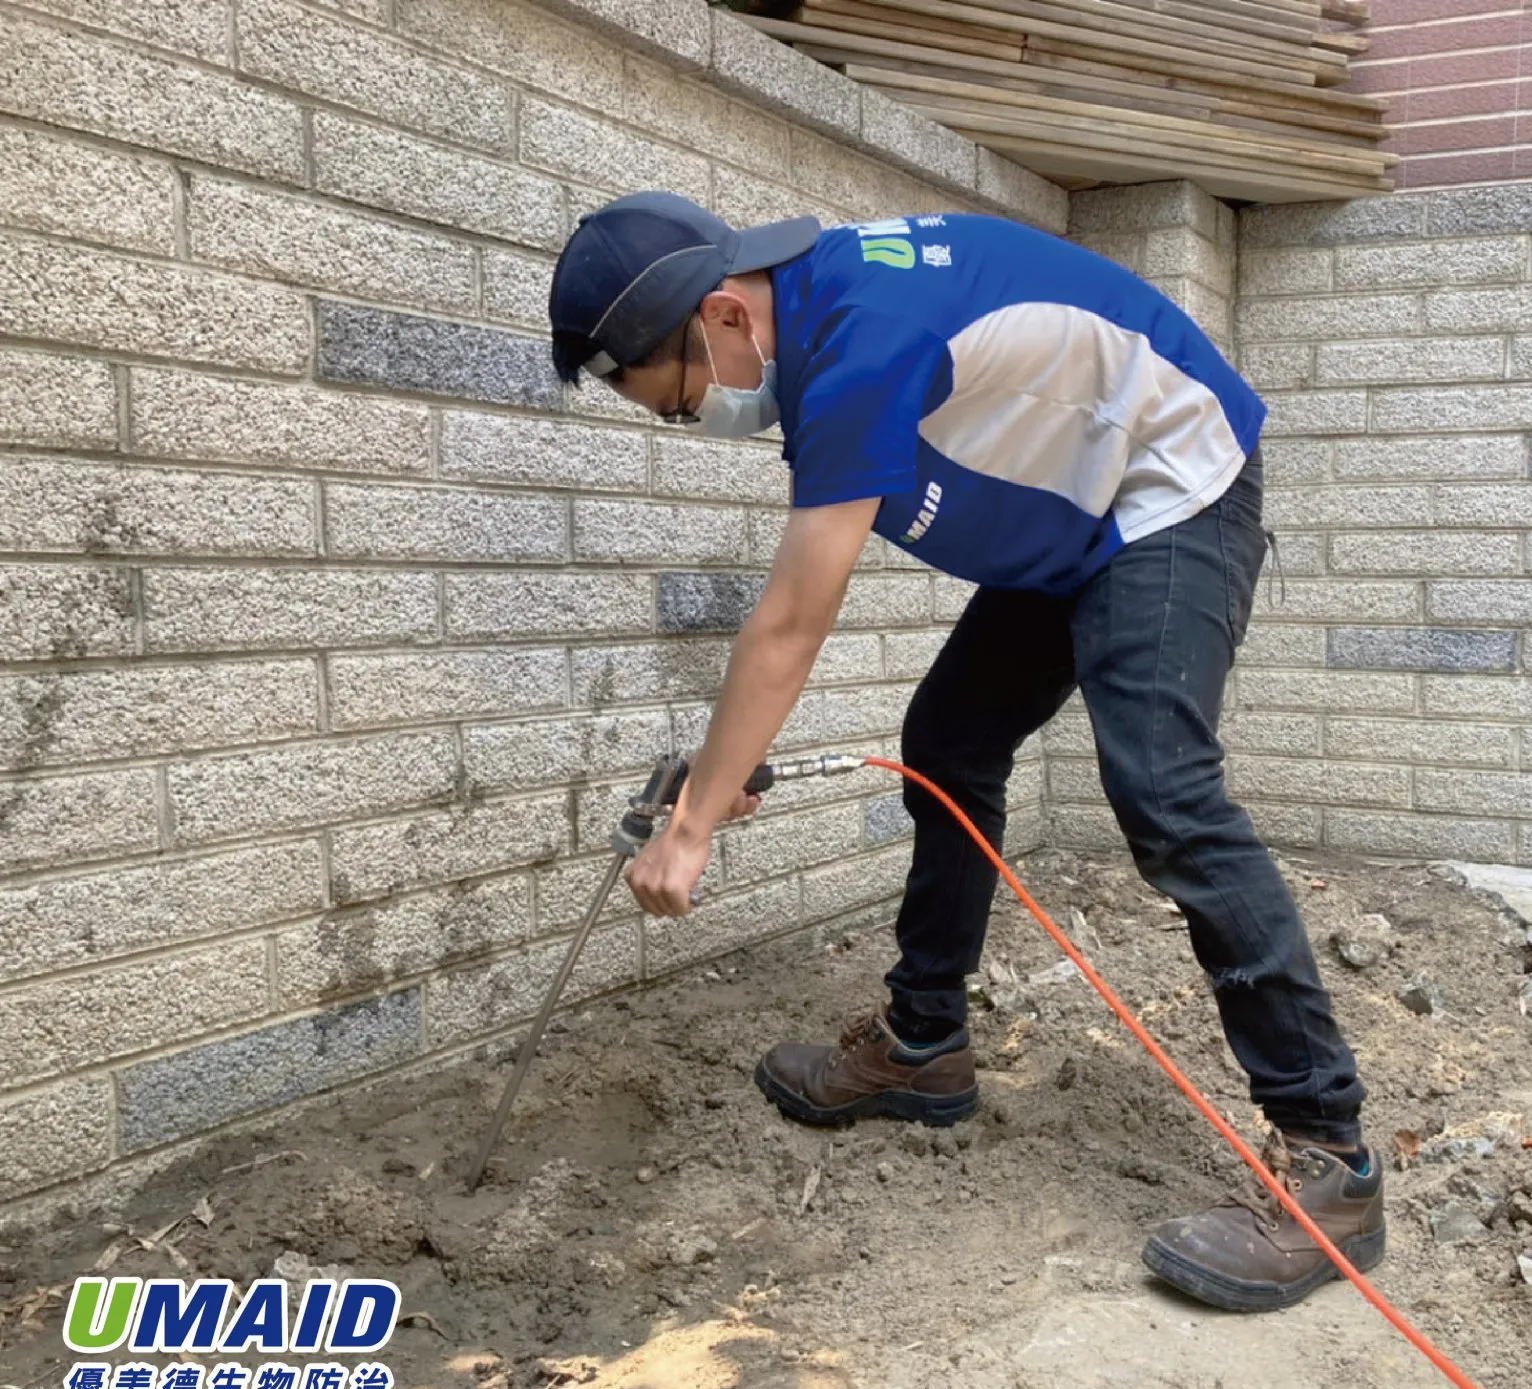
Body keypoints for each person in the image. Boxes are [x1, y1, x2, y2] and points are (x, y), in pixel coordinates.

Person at [546, 192, 1382, 1311]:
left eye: (679, 399)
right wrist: (719, 767)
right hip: (1082, 519)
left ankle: (1330, 1160)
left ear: (723, 316)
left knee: (1163, 790)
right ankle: (924, 1043)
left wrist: (692, 826)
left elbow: (790, 622)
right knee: (948, 741)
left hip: (1177, 489)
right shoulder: (824, 317)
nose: (694, 421)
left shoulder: (859, 345)